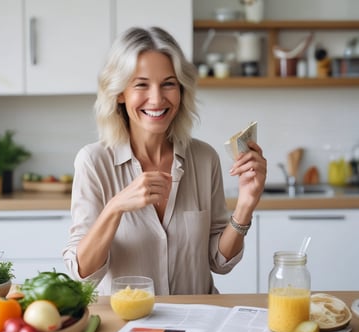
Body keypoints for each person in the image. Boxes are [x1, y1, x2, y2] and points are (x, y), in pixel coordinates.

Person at [63, 26, 267, 296]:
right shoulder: (93, 161)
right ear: (120, 92)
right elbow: (83, 275)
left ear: (181, 90)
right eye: (141, 84)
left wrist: (245, 204)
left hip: (198, 324)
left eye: (168, 84)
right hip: (127, 326)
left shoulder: (205, 159)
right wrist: (115, 208)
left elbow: (219, 262)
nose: (157, 98)